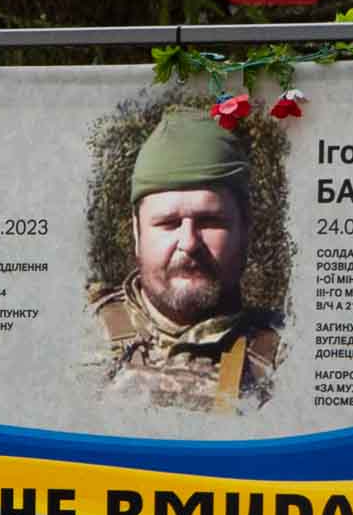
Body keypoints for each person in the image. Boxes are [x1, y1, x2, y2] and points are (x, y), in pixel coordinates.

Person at [88, 107, 282, 412]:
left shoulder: (293, 356)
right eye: (168, 223)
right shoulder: (75, 337)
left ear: (245, 228)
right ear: (137, 232)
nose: (189, 243)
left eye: (210, 221)